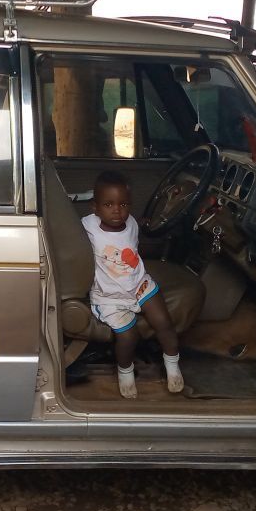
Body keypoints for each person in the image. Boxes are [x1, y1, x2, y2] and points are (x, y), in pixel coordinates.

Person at [81, 170, 184, 398]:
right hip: (109, 296)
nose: (117, 210)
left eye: (123, 204)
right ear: (95, 207)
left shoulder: (132, 224)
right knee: (128, 337)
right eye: (108, 204)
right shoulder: (87, 228)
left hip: (139, 284)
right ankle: (125, 373)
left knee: (164, 322)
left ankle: (173, 366)